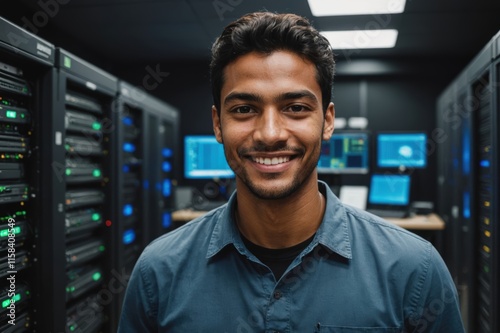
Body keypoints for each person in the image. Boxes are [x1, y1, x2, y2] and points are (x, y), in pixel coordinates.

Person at [118, 12, 465, 332]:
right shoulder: (158, 273)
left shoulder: (414, 271)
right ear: (217, 124)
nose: (270, 133)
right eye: (243, 109)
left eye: (296, 108)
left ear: (327, 121)